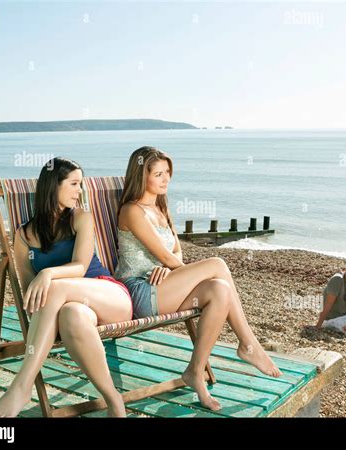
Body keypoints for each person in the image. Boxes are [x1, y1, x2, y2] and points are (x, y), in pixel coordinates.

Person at [115, 146, 282, 412]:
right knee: (217, 263)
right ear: (141, 176)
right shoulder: (132, 211)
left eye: (167, 172)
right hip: (141, 291)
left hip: (166, 285)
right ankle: (249, 344)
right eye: (157, 174)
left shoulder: (160, 208)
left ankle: (194, 371)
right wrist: (172, 268)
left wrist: (172, 271)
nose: (165, 179)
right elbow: (166, 256)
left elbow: (175, 253)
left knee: (220, 290)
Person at [0, 157, 133, 418]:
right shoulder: (23, 235)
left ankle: (22, 386)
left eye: (81, 184)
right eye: (74, 184)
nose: (80, 191)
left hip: (107, 294)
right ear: (54, 186)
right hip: (76, 309)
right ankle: (115, 401)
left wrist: (48, 273)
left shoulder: (81, 218)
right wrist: (45, 299)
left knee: (54, 289)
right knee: (70, 315)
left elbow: (80, 267)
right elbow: (32, 295)